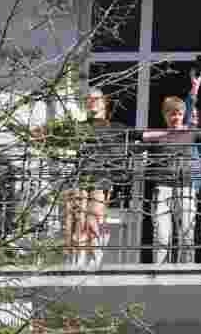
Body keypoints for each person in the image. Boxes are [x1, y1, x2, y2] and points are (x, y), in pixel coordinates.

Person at [142, 89, 201, 265]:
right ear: (165, 115)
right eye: (171, 113)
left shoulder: (192, 134)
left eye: (179, 113)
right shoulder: (158, 136)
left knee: (187, 233)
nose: (175, 117)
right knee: (162, 236)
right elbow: (136, 141)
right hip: (162, 187)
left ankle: (187, 272)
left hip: (186, 186)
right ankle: (160, 271)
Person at [57, 89, 128, 268]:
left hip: (102, 178)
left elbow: (138, 141)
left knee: (93, 220)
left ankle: (93, 264)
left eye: (96, 99)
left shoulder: (116, 128)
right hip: (81, 177)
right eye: (88, 99)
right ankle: (75, 264)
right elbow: (59, 140)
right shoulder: (80, 127)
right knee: (77, 221)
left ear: (105, 102)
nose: (92, 102)